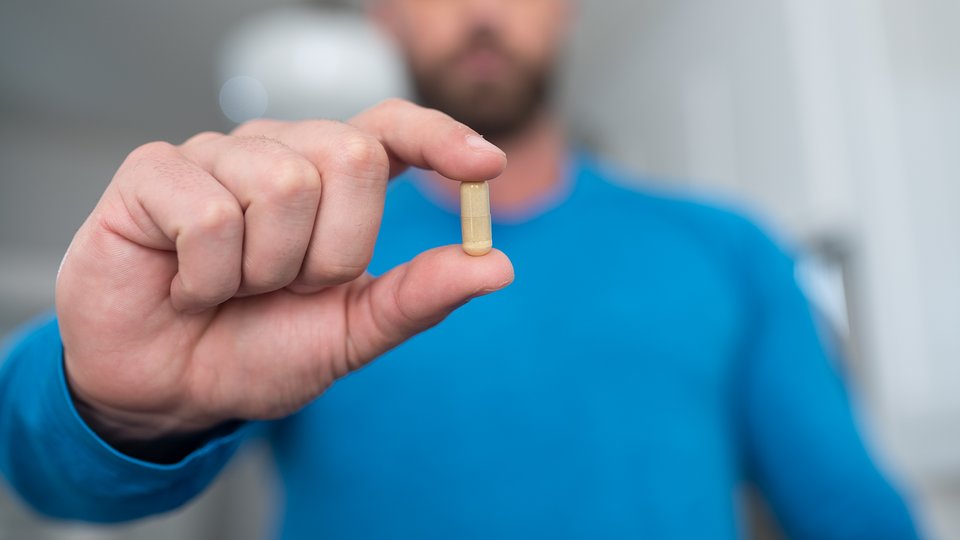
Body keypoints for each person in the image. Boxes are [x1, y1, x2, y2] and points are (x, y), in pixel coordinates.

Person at [0, 0, 921, 538]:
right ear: (383, 12)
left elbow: (853, 515)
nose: (481, 10)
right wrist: (118, 407)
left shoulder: (729, 249)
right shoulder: (290, 244)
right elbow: (46, 471)